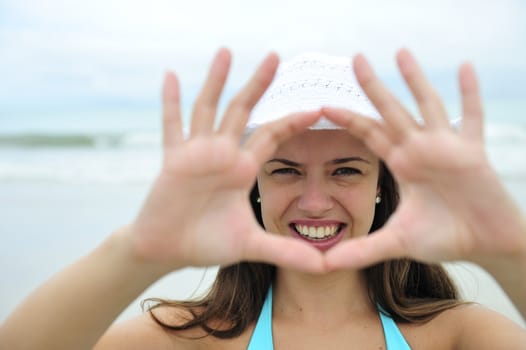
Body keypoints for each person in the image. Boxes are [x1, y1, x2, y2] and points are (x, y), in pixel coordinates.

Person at [0, 47, 525, 349]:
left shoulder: (456, 335)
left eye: (346, 170)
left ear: (382, 186)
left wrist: (507, 248)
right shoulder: (189, 341)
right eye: (285, 171)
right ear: (254, 188)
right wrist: (138, 252)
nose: (315, 202)